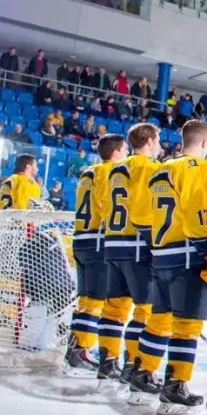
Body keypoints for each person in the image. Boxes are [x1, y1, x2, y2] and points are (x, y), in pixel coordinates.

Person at [132, 120, 207, 415]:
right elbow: (198, 213)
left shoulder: (160, 169)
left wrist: (157, 245)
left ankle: (142, 375)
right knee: (187, 327)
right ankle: (175, 385)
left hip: (162, 255)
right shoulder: (198, 168)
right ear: (205, 143)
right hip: (187, 256)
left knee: (159, 320)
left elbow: (142, 217)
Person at [106, 123, 164, 400]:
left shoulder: (117, 167)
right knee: (145, 311)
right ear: (150, 140)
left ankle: (110, 364)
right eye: (159, 139)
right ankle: (136, 367)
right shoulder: (148, 167)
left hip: (113, 243)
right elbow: (143, 210)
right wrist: (157, 242)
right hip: (137, 245)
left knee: (115, 307)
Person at [65, 135, 126, 377]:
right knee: (98, 301)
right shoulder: (111, 171)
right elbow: (105, 203)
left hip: (81, 238)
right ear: (115, 153)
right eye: (123, 150)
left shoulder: (87, 172)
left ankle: (76, 346)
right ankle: (82, 349)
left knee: (87, 299)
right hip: (99, 239)